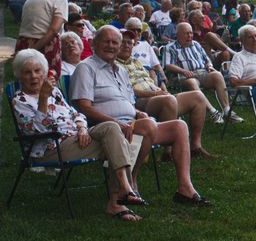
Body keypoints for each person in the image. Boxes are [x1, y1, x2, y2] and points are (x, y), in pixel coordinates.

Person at [71, 26, 211, 206]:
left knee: (179, 127)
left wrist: (139, 112)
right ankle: (131, 183)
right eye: (106, 41)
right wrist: (117, 123)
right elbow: (83, 107)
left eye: (115, 42)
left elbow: (128, 101)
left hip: (132, 124)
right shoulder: (86, 68)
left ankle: (185, 189)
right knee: (147, 126)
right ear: (94, 43)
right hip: (106, 129)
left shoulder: (121, 71)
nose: (111, 46)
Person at [12, 49, 144, 221]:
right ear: (19, 76)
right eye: (27, 72)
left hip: (78, 137)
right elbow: (36, 131)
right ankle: (119, 199)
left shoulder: (55, 92)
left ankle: (122, 194)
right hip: (51, 148)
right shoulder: (20, 100)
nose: (34, 76)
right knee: (119, 143)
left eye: (37, 71)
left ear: (44, 73)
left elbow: (76, 113)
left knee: (112, 128)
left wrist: (82, 128)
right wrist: (43, 99)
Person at [117, 29, 217, 160]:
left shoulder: (136, 61)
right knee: (168, 100)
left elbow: (151, 79)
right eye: (122, 42)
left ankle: (195, 146)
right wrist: (155, 93)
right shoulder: (114, 65)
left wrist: (160, 88)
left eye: (129, 43)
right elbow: (126, 90)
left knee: (197, 97)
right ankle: (168, 151)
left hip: (157, 95)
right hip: (138, 102)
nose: (126, 45)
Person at [165, 22, 243, 123]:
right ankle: (213, 112)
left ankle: (227, 111)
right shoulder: (170, 47)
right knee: (192, 82)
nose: (190, 36)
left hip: (202, 72)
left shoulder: (196, 44)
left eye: (191, 33)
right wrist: (183, 71)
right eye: (186, 33)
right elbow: (168, 65)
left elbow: (206, 59)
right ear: (178, 34)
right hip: (185, 76)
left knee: (217, 75)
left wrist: (209, 66)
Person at [15, 0, 73, 80]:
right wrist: (33, 51)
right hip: (45, 45)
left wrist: (26, 52)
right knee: (48, 81)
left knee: (25, 81)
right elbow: (54, 30)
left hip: (22, 43)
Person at [125, 17, 168, 88]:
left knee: (161, 83)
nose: (136, 32)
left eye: (139, 30)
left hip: (151, 72)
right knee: (152, 73)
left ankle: (161, 94)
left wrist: (163, 76)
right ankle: (156, 93)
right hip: (136, 73)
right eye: (133, 30)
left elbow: (156, 64)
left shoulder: (145, 44)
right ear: (127, 30)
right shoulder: (125, 47)